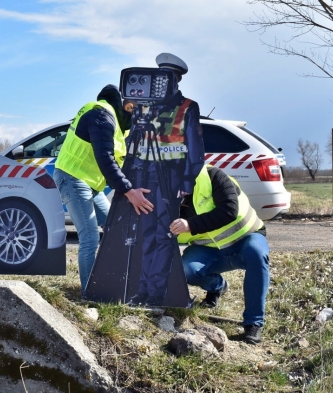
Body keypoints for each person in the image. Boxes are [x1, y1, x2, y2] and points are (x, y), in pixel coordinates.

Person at [54, 85, 152, 292]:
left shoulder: (114, 120)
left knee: (113, 227)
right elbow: (105, 158)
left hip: (90, 183)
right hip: (73, 178)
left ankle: (111, 279)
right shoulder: (101, 116)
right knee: (89, 237)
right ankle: (90, 292)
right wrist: (128, 191)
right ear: (124, 105)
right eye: (133, 110)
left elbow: (118, 160)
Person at [128, 53, 205, 308]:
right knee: (147, 236)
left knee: (163, 236)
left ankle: (155, 295)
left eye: (168, 77)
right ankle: (142, 292)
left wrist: (187, 182)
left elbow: (195, 149)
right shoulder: (143, 105)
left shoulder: (187, 107)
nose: (162, 82)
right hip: (144, 177)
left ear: (177, 80)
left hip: (169, 179)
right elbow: (134, 141)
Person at [170, 165, 268, 344]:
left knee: (257, 254)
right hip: (209, 249)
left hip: (245, 240)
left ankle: (253, 323)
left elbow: (229, 209)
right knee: (185, 270)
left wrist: (191, 224)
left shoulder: (212, 175)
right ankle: (217, 287)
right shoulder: (166, 193)